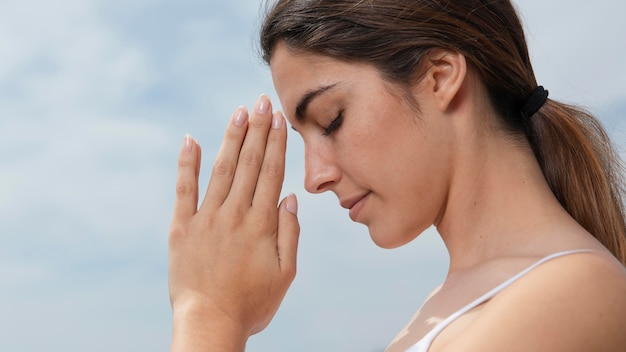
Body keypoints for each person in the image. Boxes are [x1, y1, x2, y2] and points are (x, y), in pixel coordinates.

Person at [167, 0, 626, 351]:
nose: (313, 178)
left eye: (331, 120)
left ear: (440, 77)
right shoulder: (447, 306)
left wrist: (210, 317)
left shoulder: (573, 293)